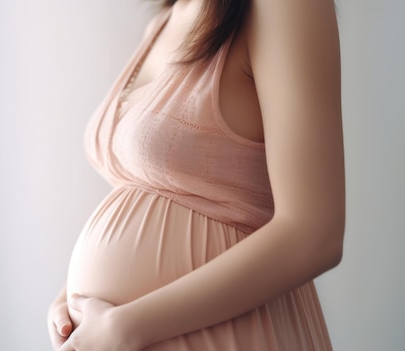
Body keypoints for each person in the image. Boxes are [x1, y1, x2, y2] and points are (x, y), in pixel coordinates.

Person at [48, 0, 344, 349]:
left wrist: (126, 326)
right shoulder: (165, 19)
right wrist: (70, 300)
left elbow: (314, 234)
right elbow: (149, 194)